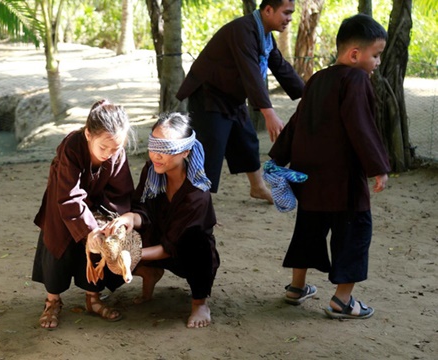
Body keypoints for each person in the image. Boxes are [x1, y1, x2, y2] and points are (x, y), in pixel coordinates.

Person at [268, 14, 390, 319]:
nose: (376, 63)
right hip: (344, 181)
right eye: (375, 55)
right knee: (354, 233)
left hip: (310, 178)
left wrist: (277, 156)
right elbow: (361, 125)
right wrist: (377, 166)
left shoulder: (318, 78)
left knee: (308, 230)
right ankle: (343, 300)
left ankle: (297, 287)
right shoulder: (356, 79)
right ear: (354, 54)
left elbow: (298, 121)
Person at [176, 0, 304, 204]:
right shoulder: (242, 31)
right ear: (268, 10)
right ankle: (197, 202)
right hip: (209, 93)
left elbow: (281, 66)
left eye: (291, 14)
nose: (289, 18)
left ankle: (258, 187)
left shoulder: (265, 36)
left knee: (247, 141)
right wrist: (268, 112)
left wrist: (309, 94)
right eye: (286, 13)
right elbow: (251, 72)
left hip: (232, 96)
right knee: (211, 147)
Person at [105, 112, 220, 328]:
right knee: (109, 244)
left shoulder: (197, 192)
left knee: (196, 241)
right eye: (153, 146)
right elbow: (143, 210)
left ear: (185, 152)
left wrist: (132, 254)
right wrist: (130, 218)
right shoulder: (152, 171)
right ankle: (150, 272)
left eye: (165, 149)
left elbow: (173, 244)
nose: (156, 155)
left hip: (186, 254)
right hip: (155, 239)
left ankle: (199, 303)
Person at [32, 99, 135, 328]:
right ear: (89, 134)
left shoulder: (117, 153)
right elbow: (69, 195)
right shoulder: (71, 146)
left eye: (115, 148)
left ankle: (93, 298)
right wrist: (89, 229)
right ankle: (52, 302)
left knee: (98, 248)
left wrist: (109, 222)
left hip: (97, 209)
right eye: (103, 148)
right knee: (58, 250)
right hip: (63, 206)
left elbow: (121, 191)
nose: (109, 154)